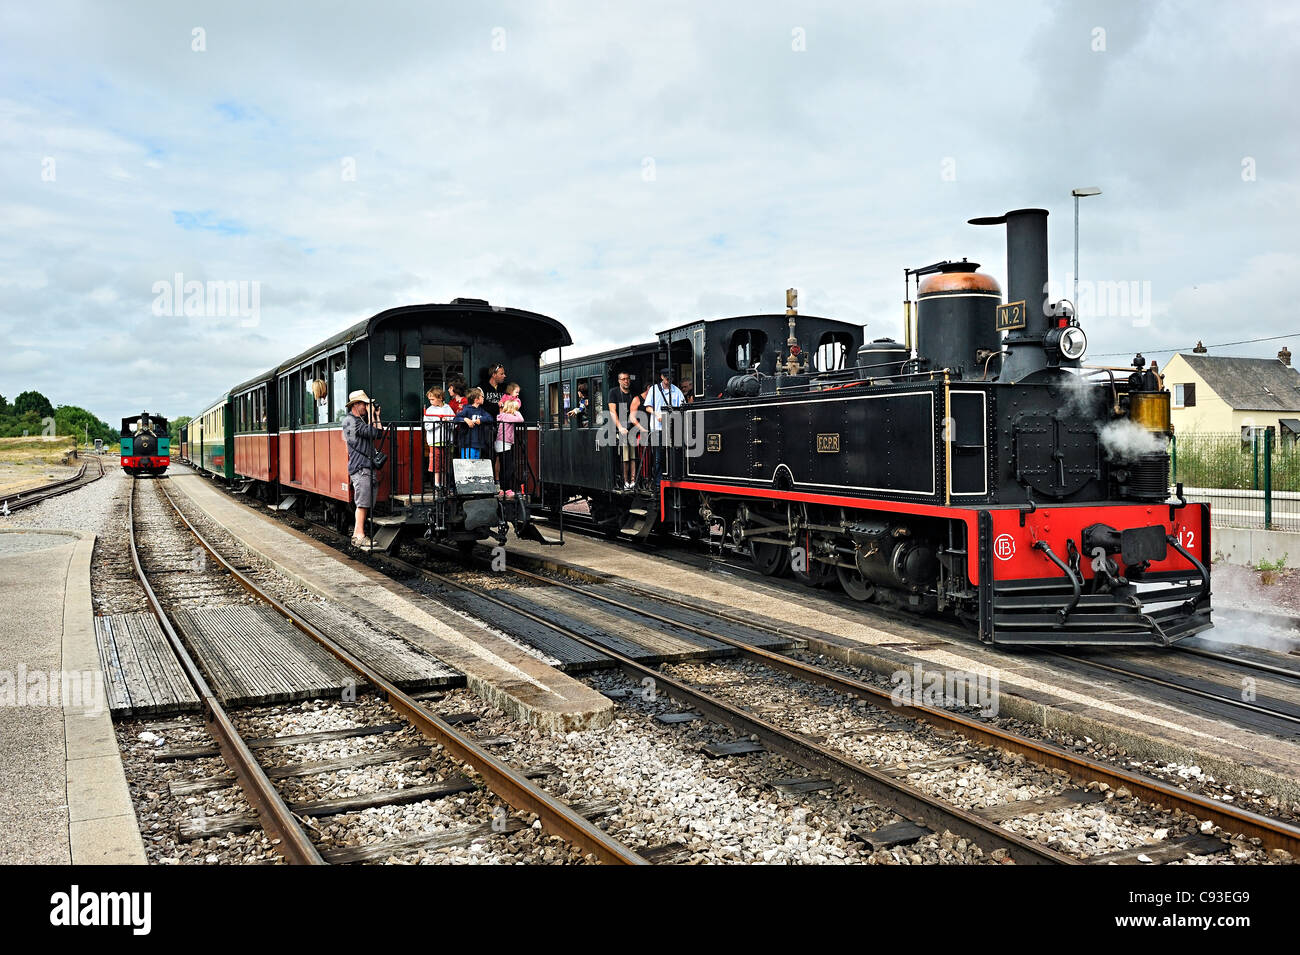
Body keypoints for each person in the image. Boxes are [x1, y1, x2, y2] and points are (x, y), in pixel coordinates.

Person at [342, 389, 384, 547]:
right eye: (365, 404)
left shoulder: (358, 420)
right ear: (356, 405)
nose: (367, 407)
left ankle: (357, 534)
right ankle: (359, 535)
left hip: (365, 466)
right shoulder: (350, 421)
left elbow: (378, 433)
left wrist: (376, 415)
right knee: (363, 502)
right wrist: (372, 415)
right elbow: (372, 432)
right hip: (360, 467)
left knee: (366, 502)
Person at [645, 368, 684, 482]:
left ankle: (672, 477)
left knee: (673, 454)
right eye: (667, 378)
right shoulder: (654, 390)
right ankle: (658, 482)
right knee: (658, 457)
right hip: (657, 428)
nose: (669, 380)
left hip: (672, 428)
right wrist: (656, 414)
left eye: (671, 378)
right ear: (662, 377)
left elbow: (682, 407)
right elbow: (647, 407)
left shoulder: (677, 390)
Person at [608, 371, 636, 489]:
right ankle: (625, 481)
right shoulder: (613, 392)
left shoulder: (632, 394)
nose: (626, 381)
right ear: (619, 381)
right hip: (620, 428)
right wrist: (620, 427)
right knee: (625, 455)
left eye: (628, 379)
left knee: (633, 455)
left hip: (631, 427)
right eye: (624, 379)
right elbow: (612, 411)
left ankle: (633, 480)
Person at [495, 383, 524, 493]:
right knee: (509, 468)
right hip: (504, 443)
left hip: (502, 443)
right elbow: (521, 419)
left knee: (505, 467)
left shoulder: (503, 415)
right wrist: (515, 411)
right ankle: (506, 489)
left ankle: (503, 489)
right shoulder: (508, 417)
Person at [423, 387, 454, 490]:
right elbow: (427, 426)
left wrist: (447, 423)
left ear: (440, 398)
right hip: (435, 441)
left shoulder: (448, 408)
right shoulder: (429, 410)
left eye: (432, 399)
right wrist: (439, 423)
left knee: (445, 463)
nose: (430, 402)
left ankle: (444, 484)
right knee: (436, 464)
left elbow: (454, 425)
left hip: (447, 441)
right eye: (430, 399)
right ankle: (437, 485)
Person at [455, 387, 494, 458]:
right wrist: (465, 419)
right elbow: (456, 418)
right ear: (476, 399)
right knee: (467, 465)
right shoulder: (466, 409)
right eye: (482, 396)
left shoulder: (481, 411)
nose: (483, 398)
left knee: (475, 466)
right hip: (467, 443)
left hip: (478, 443)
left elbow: (490, 418)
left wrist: (481, 420)